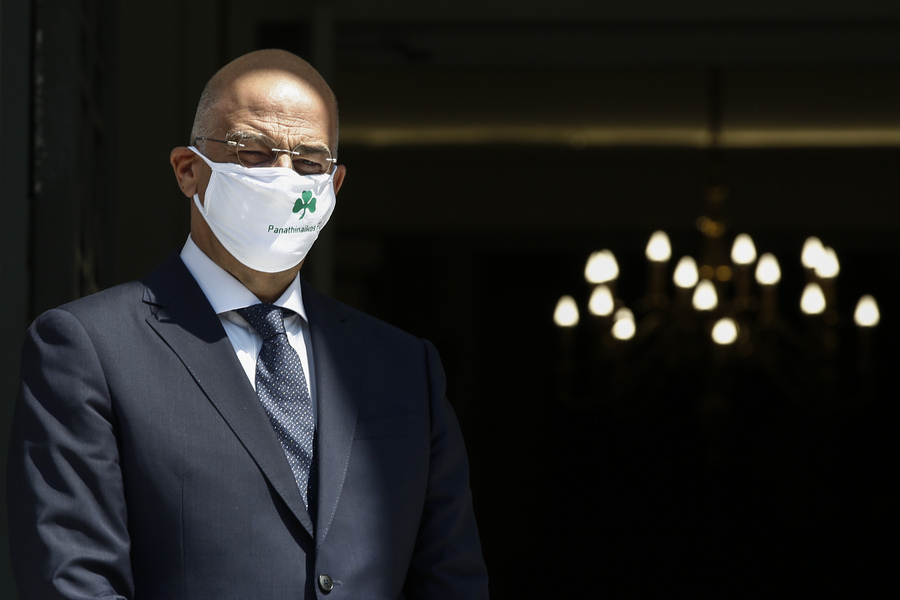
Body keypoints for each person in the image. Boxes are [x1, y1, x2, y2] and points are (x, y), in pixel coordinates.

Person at [7, 49, 488, 599]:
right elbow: (74, 580)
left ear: (333, 187)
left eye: (309, 163)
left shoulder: (404, 366)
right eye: (253, 153)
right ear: (188, 171)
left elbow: (451, 578)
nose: (283, 178)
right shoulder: (89, 348)